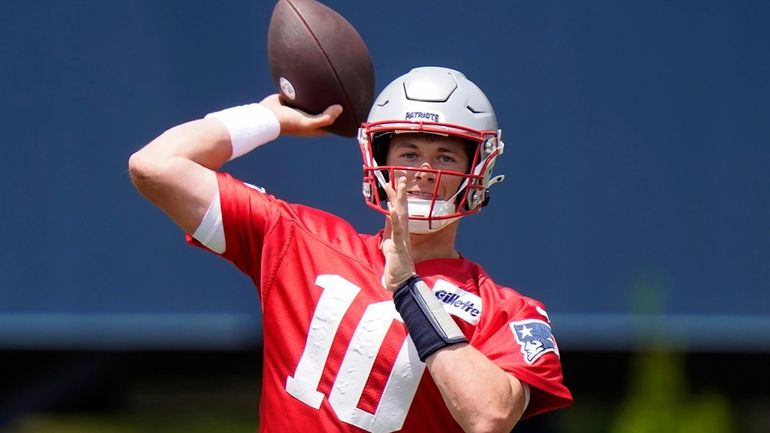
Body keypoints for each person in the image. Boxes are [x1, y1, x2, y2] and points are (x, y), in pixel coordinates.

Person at [129, 66, 572, 433]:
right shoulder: (300, 240)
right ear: (378, 161)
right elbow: (155, 166)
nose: (423, 172)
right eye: (410, 152)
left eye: (445, 157)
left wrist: (409, 289)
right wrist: (268, 118)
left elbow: (490, 416)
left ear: (477, 170)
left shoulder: (510, 312)